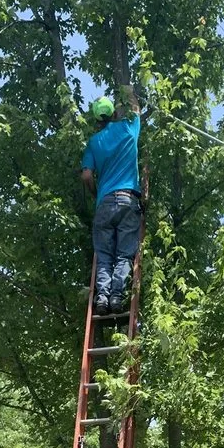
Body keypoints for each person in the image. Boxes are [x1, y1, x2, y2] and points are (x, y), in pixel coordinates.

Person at [81, 91, 141, 316]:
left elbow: (86, 175)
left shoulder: (94, 142)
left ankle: (102, 298)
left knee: (104, 255)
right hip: (127, 200)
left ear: (97, 119)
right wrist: (129, 93)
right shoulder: (128, 127)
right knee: (125, 254)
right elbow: (136, 109)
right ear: (115, 112)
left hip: (104, 203)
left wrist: (97, 194)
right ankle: (117, 296)